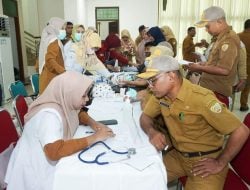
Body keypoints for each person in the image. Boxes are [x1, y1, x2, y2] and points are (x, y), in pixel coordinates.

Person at [138, 55, 249, 190]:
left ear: (171, 76)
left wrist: (220, 162)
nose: (150, 87)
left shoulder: (201, 99)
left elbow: (241, 131)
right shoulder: (161, 95)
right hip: (178, 156)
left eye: (153, 80)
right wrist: (152, 132)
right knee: (141, 179)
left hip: (205, 161)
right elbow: (145, 117)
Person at [5, 71, 115, 190]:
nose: (87, 99)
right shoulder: (49, 116)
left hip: (43, 165)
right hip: (34, 175)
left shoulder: (63, 101)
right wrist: (95, 137)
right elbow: (54, 151)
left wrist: (94, 123)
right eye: (83, 96)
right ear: (69, 93)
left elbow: (78, 113)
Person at [185, 6, 241, 107]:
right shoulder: (220, 38)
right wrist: (205, 64)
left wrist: (199, 67)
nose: (206, 30)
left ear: (219, 22)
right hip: (211, 90)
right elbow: (217, 63)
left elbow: (224, 70)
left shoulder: (228, 40)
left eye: (207, 26)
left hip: (218, 94)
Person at [39, 17, 66, 94]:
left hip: (47, 76)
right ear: (56, 27)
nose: (64, 31)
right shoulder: (54, 40)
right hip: (51, 79)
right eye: (62, 28)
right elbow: (49, 60)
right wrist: (63, 71)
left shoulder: (48, 38)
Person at [238, 19, 250, 111]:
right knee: (246, 87)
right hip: (248, 66)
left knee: (232, 84)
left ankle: (226, 102)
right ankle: (243, 104)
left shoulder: (237, 36)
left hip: (236, 65)